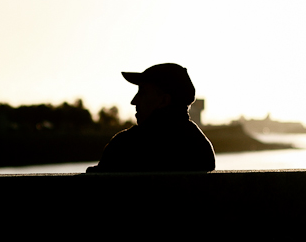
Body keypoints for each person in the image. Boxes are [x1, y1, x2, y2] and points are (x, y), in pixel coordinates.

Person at [87, 63, 216, 173]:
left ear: (164, 100)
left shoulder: (126, 145)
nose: (134, 101)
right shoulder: (201, 148)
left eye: (142, 92)